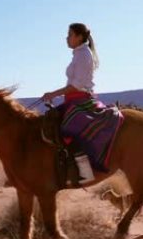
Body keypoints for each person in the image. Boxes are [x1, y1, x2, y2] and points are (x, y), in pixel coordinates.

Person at [41, 23, 123, 184]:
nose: (67, 38)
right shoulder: (78, 54)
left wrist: (53, 94)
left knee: (68, 126)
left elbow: (77, 85)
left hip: (81, 99)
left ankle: (84, 170)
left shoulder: (84, 54)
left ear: (79, 37)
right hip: (73, 100)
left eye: (70, 34)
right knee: (52, 122)